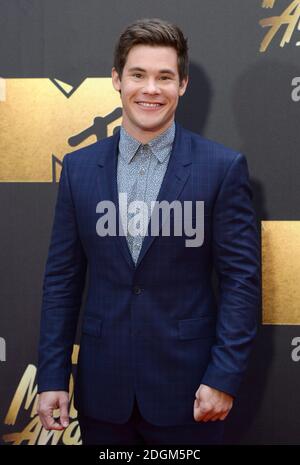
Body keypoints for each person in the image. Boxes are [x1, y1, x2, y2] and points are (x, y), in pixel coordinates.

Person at [37, 18, 260, 445]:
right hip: (103, 395)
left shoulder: (221, 168)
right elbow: (62, 281)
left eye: (165, 77)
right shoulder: (80, 170)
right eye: (138, 75)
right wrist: (52, 377)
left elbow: (242, 284)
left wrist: (224, 376)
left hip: (192, 393)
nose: (151, 89)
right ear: (117, 80)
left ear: (183, 85)